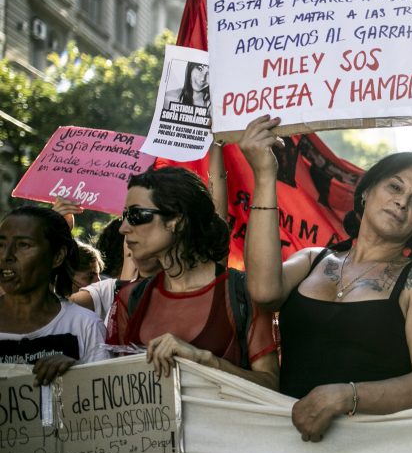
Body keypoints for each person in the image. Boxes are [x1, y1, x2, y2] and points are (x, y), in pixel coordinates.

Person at [240, 115, 412, 442]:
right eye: (395, 186)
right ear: (366, 191)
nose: (402, 201)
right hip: (284, 446)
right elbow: (262, 291)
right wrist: (265, 176)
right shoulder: (314, 259)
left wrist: (345, 396)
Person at [108, 166, 279, 388]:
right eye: (125, 216)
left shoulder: (242, 292)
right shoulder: (130, 298)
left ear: (176, 220)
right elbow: (118, 388)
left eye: (136, 215)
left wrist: (204, 360)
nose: (123, 228)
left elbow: (271, 385)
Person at [0, 206, 109, 383]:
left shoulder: (85, 326)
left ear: (57, 256)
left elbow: (104, 399)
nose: (6, 256)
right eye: (1, 244)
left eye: (23, 245)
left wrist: (78, 374)